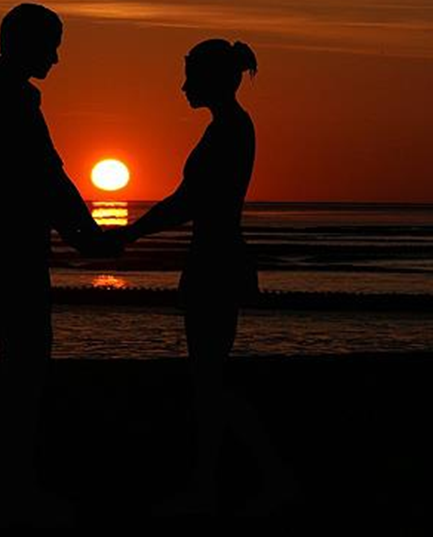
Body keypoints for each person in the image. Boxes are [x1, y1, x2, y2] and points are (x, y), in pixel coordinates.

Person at [107, 38, 297, 516]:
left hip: (216, 261)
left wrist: (130, 233)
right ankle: (213, 481)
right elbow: (188, 200)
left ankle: (255, 478)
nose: (183, 86)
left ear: (212, 79)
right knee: (207, 377)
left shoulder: (229, 130)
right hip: (215, 257)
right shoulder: (228, 127)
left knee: (209, 378)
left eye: (190, 76)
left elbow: (187, 202)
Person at [0, 3, 109, 526]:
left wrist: (80, 234)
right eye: (51, 46)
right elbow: (45, 176)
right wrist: (87, 236)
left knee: (22, 363)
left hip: (5, 244)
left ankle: (12, 484)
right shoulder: (8, 98)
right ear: (24, 43)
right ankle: (13, 489)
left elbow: (44, 178)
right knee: (25, 367)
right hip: (11, 248)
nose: (56, 58)